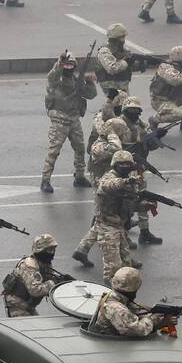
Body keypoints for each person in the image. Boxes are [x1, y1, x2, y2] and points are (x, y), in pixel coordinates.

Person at [73, 97, 130, 268]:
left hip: (110, 181)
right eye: (121, 132)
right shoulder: (102, 145)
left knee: (101, 219)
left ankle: (82, 250)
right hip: (102, 184)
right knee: (104, 218)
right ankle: (119, 252)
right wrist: (113, 135)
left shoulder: (108, 141)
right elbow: (116, 150)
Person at [41, 49, 98, 193]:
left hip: (74, 119)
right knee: (54, 151)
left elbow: (91, 95)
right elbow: (51, 76)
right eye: (66, 65)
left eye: (70, 65)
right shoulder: (57, 80)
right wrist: (60, 62)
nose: (68, 68)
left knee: (80, 148)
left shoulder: (76, 81)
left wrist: (89, 82)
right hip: (59, 120)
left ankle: (79, 177)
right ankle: (45, 180)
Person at [92, 151, 145, 284]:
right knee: (113, 270)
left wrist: (144, 205)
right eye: (121, 164)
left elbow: (129, 203)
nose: (125, 166)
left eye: (128, 164)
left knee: (126, 266)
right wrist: (127, 180)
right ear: (115, 165)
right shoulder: (109, 177)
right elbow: (108, 185)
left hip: (120, 227)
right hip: (107, 227)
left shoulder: (129, 180)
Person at [119, 96, 163, 245]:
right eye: (131, 110)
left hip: (139, 166)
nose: (134, 113)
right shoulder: (118, 125)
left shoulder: (140, 125)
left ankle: (145, 231)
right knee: (126, 202)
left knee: (143, 198)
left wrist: (156, 137)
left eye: (136, 110)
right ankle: (122, 235)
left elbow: (150, 145)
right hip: (124, 167)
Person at [88, 266, 174, 336]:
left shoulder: (111, 296)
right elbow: (138, 330)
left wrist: (151, 315)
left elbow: (131, 314)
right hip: (111, 346)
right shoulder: (117, 308)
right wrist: (154, 321)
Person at [2, 233, 59, 317]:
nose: (52, 253)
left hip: (28, 306)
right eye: (49, 250)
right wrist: (53, 284)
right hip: (17, 306)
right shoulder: (29, 265)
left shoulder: (44, 263)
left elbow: (50, 279)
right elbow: (35, 290)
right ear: (41, 250)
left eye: (53, 250)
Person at [95, 24, 137, 95]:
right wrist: (127, 61)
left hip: (121, 82)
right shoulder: (104, 51)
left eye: (124, 37)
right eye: (121, 37)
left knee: (125, 104)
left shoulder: (123, 49)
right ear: (114, 39)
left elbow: (125, 65)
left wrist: (139, 65)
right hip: (110, 84)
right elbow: (111, 69)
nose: (123, 40)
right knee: (117, 104)